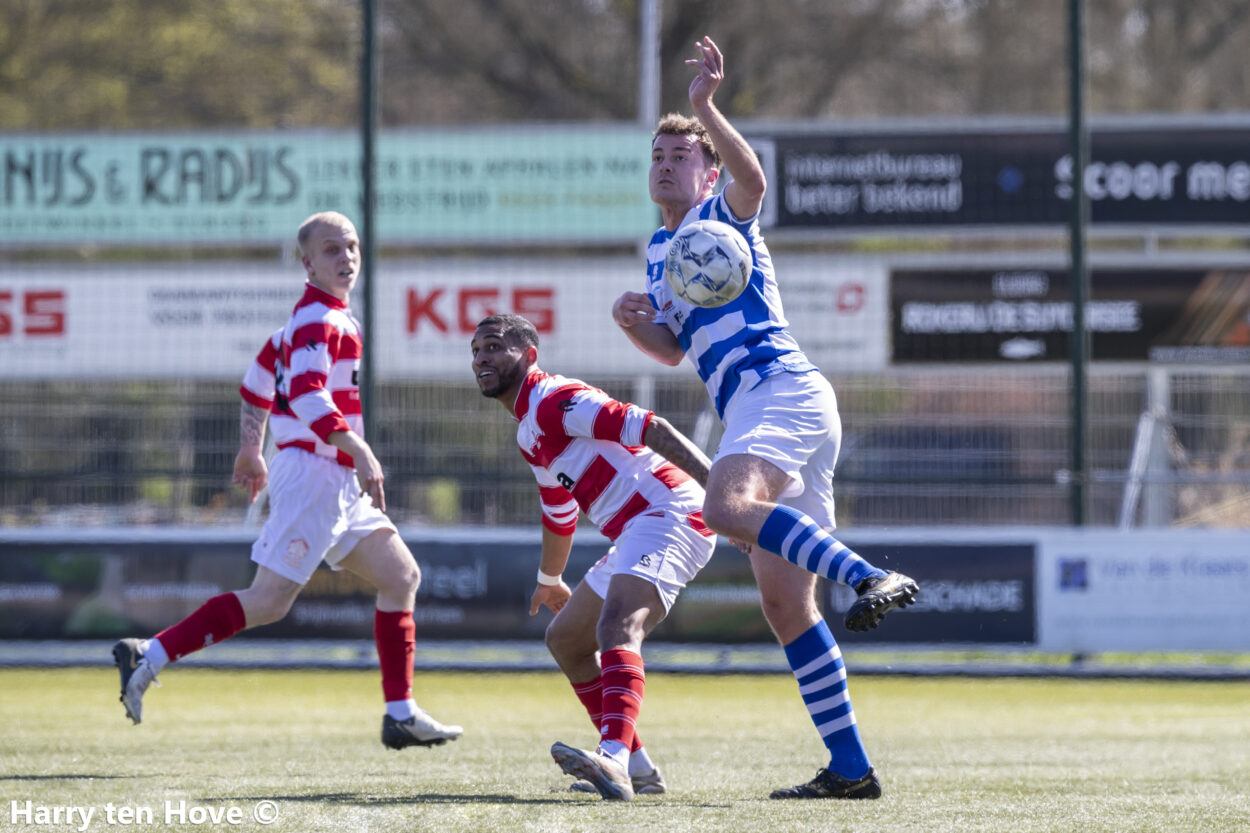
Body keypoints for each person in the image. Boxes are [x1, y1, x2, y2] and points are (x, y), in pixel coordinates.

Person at [610, 37, 920, 800]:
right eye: (658, 153)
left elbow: (756, 178)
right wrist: (633, 325)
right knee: (785, 604)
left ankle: (868, 573)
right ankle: (851, 769)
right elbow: (675, 350)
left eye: (681, 155)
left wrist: (710, 106)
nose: (666, 163)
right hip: (764, 403)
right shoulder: (659, 251)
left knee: (723, 505)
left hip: (778, 388)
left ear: (706, 172)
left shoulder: (722, 212)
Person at [112, 211, 462, 751]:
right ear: (306, 263)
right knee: (270, 600)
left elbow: (256, 384)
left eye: (350, 245)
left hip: (334, 480)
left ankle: (400, 714)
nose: (344, 256)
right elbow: (304, 392)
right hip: (316, 476)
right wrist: (358, 447)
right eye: (329, 249)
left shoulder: (303, 324)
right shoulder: (319, 320)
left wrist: (252, 449)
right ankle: (150, 653)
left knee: (400, 576)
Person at [471, 313, 717, 802]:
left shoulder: (556, 399)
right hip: (636, 530)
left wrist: (722, 497)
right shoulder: (528, 432)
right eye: (476, 351)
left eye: (495, 347)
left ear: (530, 355)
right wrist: (550, 577)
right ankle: (640, 768)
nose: (482, 359)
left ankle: (613, 760)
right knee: (566, 640)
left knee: (617, 626)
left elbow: (652, 427)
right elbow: (558, 509)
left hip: (670, 511)